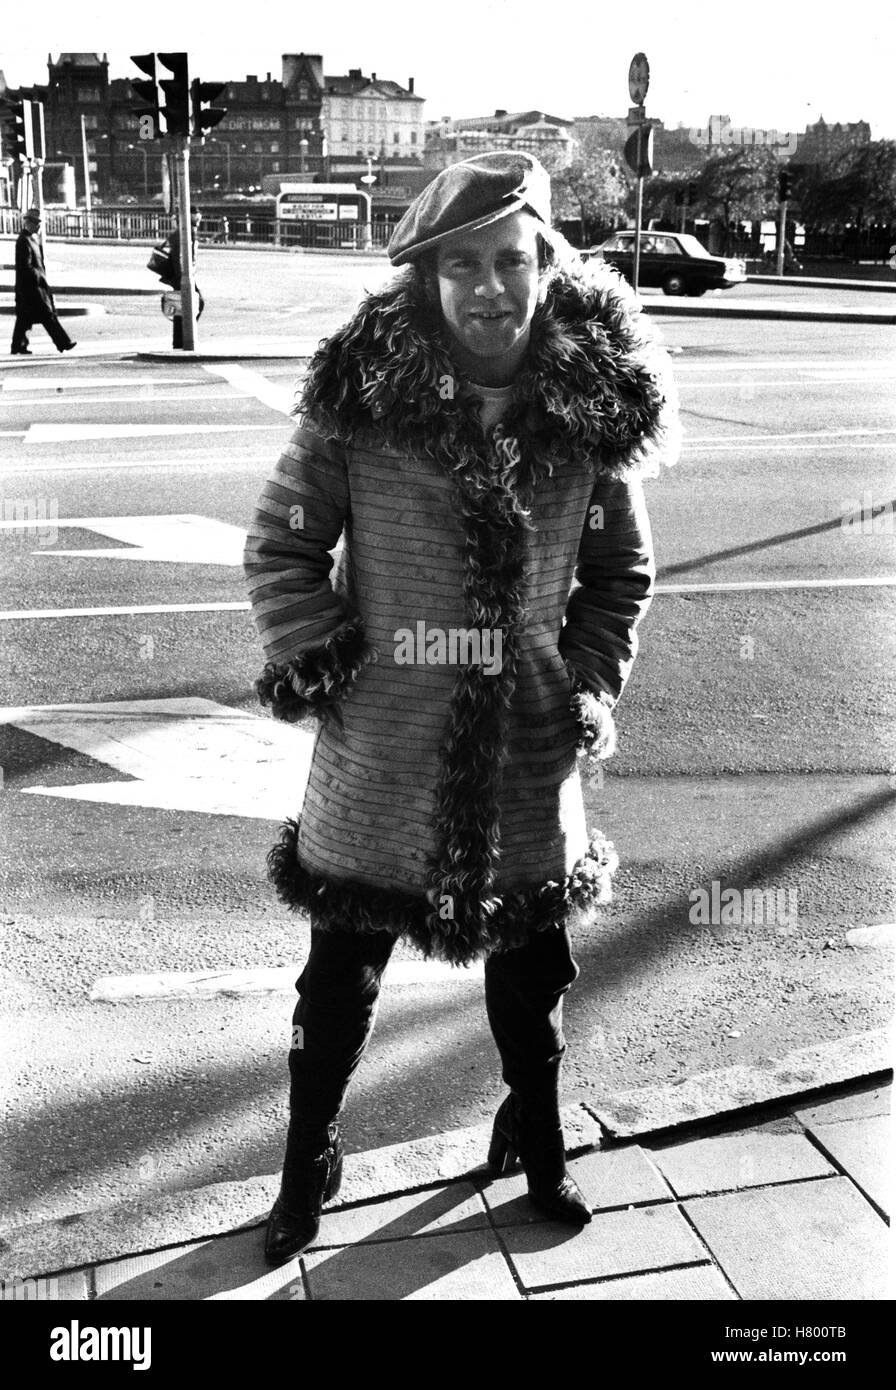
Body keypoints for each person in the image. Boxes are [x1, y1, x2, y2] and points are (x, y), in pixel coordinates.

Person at [242, 151, 680, 1266]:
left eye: (511, 260)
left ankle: (534, 1135)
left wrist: (583, 684)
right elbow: (282, 539)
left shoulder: (589, 411)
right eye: (463, 267)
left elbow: (618, 574)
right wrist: (323, 659)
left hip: (527, 746)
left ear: (543, 262)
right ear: (428, 282)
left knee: (532, 975)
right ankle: (308, 1159)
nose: (490, 288)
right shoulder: (361, 403)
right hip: (382, 748)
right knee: (340, 977)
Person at [10, 209, 76, 355]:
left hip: (34, 286)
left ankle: (18, 345)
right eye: (36, 223)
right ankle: (63, 343)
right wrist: (39, 277)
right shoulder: (24, 240)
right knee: (47, 316)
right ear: (28, 223)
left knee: (24, 319)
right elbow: (25, 266)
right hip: (31, 287)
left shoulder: (33, 239)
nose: (38, 226)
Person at [163, 209, 204, 349]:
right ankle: (185, 336)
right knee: (196, 303)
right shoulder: (188, 232)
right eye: (196, 218)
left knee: (181, 307)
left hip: (178, 275)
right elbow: (184, 256)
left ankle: (179, 341)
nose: (198, 221)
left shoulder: (179, 232)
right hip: (182, 275)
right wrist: (185, 274)